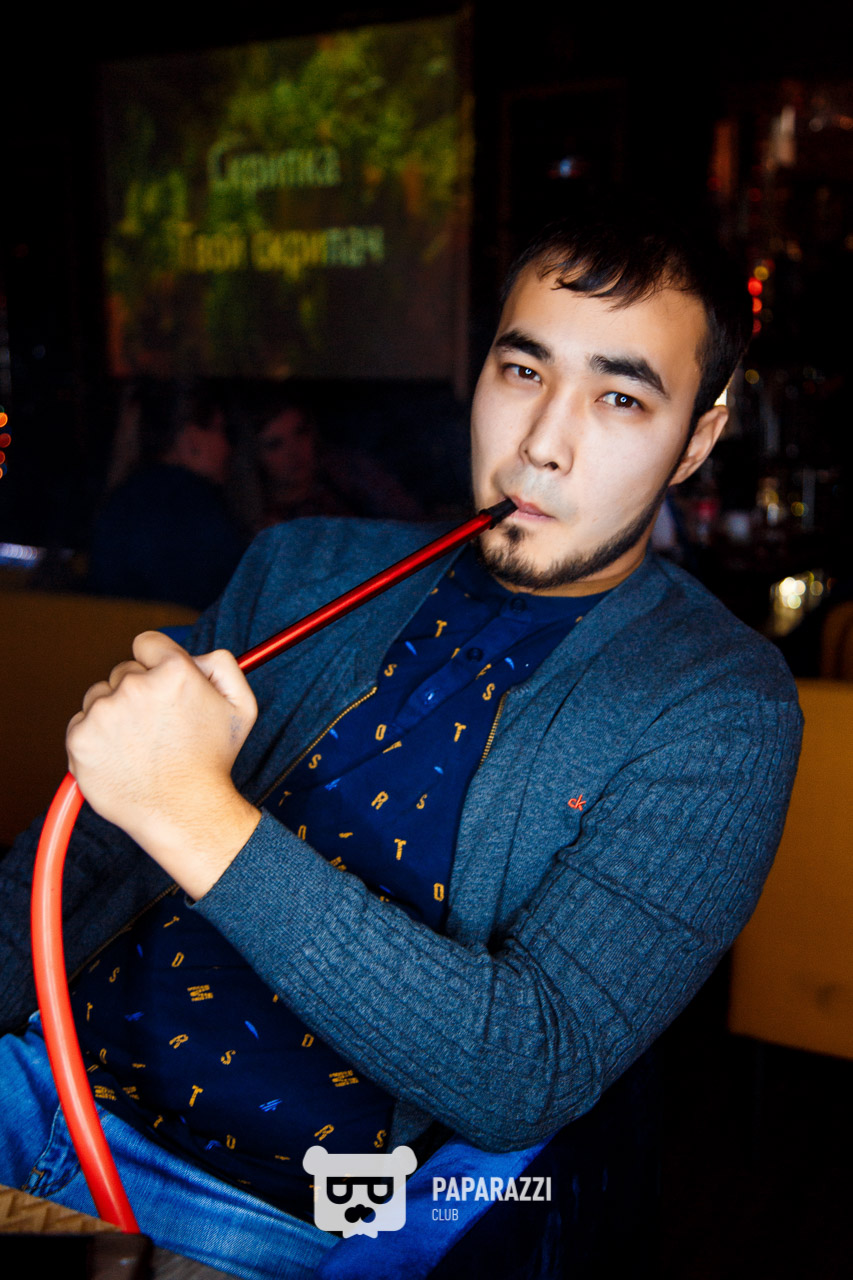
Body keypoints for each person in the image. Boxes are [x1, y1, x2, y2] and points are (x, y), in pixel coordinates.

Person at [0, 205, 802, 1278]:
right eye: (522, 372)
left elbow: (526, 1070)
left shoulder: (719, 704)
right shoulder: (300, 563)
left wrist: (191, 811)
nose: (541, 445)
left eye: (619, 397)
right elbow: (85, 850)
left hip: (261, 1209)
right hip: (35, 1077)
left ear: (695, 438)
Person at [89, 380, 246, 611]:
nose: (227, 446)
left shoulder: (122, 499)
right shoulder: (195, 506)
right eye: (220, 430)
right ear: (191, 440)